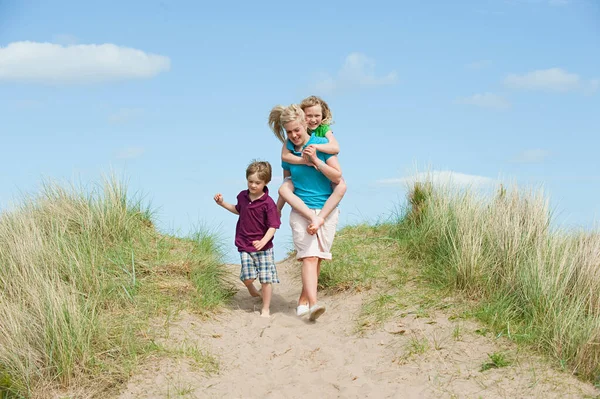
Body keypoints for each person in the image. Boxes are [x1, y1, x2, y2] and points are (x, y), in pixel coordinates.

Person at [268, 104, 343, 321]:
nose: (293, 135)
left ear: (305, 125)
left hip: (326, 210)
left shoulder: (320, 143)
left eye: (296, 130)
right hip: (301, 211)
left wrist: (316, 161)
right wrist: (277, 210)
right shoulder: (288, 151)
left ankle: (302, 303)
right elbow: (287, 181)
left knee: (317, 259)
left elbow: (337, 178)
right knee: (309, 258)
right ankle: (314, 303)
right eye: (289, 132)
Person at [214, 160, 281, 318]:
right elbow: (238, 210)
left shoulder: (268, 203)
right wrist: (222, 203)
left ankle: (265, 308)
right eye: (250, 181)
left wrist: (264, 241)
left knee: (265, 279)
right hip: (244, 243)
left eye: (258, 182)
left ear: (266, 182)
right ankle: (250, 287)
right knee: (248, 277)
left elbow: (273, 226)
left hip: (263, 248)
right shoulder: (242, 196)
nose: (253, 185)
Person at [275, 96, 347, 235]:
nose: (313, 120)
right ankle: (281, 210)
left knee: (341, 185)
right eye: (309, 116)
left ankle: (327, 212)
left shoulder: (323, 131)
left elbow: (335, 147)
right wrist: (305, 161)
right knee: (284, 188)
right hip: (300, 176)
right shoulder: (292, 135)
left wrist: (316, 149)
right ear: (303, 117)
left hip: (321, 166)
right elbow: (285, 157)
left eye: (317, 116)